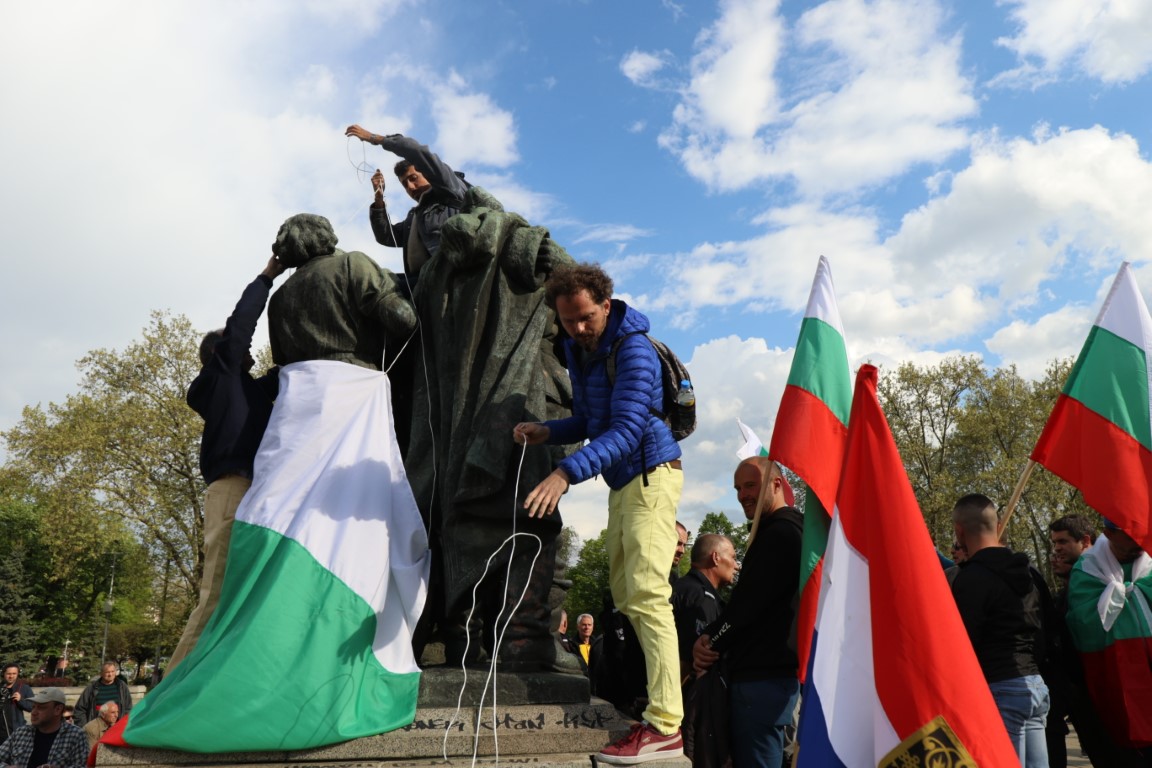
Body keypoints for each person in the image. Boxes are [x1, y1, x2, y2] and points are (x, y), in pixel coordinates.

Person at [515, 262, 684, 764]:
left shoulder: (632, 349)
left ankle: (666, 725)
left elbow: (629, 428)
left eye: (586, 318)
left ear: (606, 306)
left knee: (649, 597)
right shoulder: (582, 350)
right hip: (625, 482)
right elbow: (592, 420)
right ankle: (657, 713)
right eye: (568, 321)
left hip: (652, 474)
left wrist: (565, 473)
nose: (578, 329)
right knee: (629, 596)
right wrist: (550, 430)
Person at [169, 255, 286, 672]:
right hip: (231, 491)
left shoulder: (247, 392)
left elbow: (287, 376)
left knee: (248, 595)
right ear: (222, 353)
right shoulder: (220, 377)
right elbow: (240, 326)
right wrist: (267, 277)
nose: (249, 351)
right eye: (240, 347)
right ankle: (166, 695)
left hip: (255, 494)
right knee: (216, 592)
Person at [691, 458, 803, 768]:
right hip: (773, 678)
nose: (742, 495)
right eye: (738, 488)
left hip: (761, 680)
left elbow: (747, 606)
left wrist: (711, 640)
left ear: (777, 485)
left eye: (750, 485)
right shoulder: (790, 530)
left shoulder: (780, 533)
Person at [949, 494, 1049, 768]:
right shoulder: (1029, 573)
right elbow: (1044, 632)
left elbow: (963, 641)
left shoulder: (970, 578)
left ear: (959, 530)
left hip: (1000, 687)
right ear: (998, 524)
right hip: (1035, 685)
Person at [1065, 519, 1152, 760]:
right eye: (1130, 540)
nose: (1139, 546)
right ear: (1109, 533)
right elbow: (1081, 623)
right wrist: (1122, 594)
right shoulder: (1088, 568)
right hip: (1114, 673)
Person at [343, 126, 469, 280]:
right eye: (404, 184)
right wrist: (379, 199)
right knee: (367, 283)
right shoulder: (414, 217)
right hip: (420, 285)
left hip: (449, 278)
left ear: (427, 172)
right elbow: (386, 236)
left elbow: (418, 153)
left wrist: (375, 138)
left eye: (414, 178)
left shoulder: (450, 187)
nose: (410, 187)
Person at [672, 534, 736, 673]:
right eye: (733, 557)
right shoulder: (701, 598)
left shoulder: (681, 587)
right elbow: (689, 657)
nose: (736, 566)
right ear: (715, 558)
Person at [0, 688, 88, 768]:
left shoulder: (75, 735)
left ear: (58, 709)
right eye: (33, 707)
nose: (33, 712)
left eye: (41, 708)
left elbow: (82, 765)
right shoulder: (21, 732)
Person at [73, 662, 132, 727]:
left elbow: (128, 708)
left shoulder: (122, 687)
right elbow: (80, 709)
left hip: (116, 727)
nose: (110, 674)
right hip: (97, 728)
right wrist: (85, 727)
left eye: (112, 671)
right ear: (101, 673)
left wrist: (124, 724)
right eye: (107, 672)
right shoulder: (92, 688)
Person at [1, 665, 33, 741]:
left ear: (18, 674)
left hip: (16, 731)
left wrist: (20, 700)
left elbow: (32, 707)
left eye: (14, 674)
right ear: (3, 674)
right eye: (8, 674)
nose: (11, 676)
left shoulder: (24, 688)